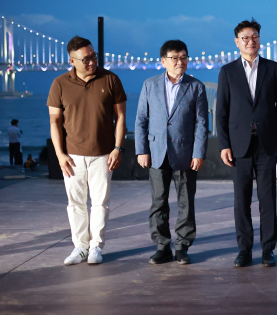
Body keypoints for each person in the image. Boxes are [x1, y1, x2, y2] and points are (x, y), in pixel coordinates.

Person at [216, 18, 277, 267]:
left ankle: (268, 250)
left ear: (260, 39)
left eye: (255, 36)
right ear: (236, 42)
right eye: (245, 38)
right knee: (241, 202)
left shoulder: (274, 68)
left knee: (267, 200)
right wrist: (224, 145)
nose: (251, 41)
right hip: (239, 147)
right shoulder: (227, 71)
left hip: (267, 145)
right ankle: (244, 250)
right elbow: (221, 112)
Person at [48, 36, 126, 265]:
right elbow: (54, 121)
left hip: (103, 154)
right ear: (72, 60)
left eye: (94, 56)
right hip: (72, 156)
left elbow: (121, 117)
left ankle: (96, 247)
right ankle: (80, 247)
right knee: (75, 204)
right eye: (86, 59)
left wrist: (117, 148)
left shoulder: (110, 79)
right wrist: (60, 154)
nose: (92, 62)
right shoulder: (59, 83)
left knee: (100, 203)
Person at [135, 39, 208, 265]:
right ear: (163, 61)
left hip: (185, 153)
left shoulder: (196, 86)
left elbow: (202, 123)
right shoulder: (149, 84)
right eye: (175, 58)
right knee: (158, 202)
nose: (180, 62)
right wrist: (141, 150)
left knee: (186, 202)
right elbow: (141, 119)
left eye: (184, 57)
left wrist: (199, 153)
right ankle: (162, 246)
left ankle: (182, 247)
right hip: (156, 152)